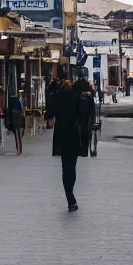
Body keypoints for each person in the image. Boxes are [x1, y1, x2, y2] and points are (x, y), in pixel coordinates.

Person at [46, 79, 85, 211]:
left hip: (61, 135)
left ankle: (69, 197)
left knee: (65, 167)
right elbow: (83, 118)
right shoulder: (76, 99)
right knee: (72, 167)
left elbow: (50, 122)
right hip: (73, 135)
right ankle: (71, 195)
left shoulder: (55, 99)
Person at [74, 78, 97, 158]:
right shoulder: (89, 98)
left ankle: (79, 150)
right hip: (86, 120)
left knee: (78, 134)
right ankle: (84, 151)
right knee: (85, 134)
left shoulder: (76, 97)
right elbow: (92, 110)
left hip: (78, 120)